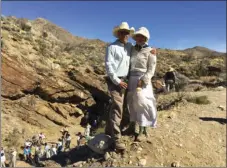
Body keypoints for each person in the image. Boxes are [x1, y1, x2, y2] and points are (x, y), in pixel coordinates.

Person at [105, 22, 135, 151]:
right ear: (118, 33)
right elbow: (109, 65)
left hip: (127, 80)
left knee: (121, 108)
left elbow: (140, 51)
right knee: (118, 108)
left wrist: (151, 51)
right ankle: (117, 140)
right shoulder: (112, 47)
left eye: (127, 32)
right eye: (122, 32)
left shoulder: (130, 46)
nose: (125, 35)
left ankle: (109, 132)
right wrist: (117, 81)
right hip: (115, 81)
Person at [127, 27, 157, 142]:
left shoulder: (150, 51)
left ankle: (142, 130)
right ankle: (132, 126)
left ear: (146, 38)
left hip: (143, 80)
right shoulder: (132, 49)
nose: (140, 38)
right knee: (131, 102)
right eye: (138, 36)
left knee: (143, 102)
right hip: (131, 78)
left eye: (142, 37)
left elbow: (151, 69)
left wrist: (143, 80)